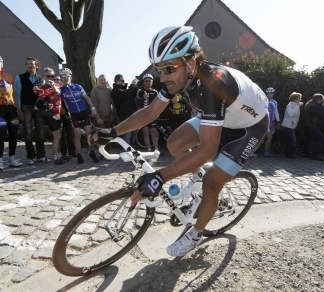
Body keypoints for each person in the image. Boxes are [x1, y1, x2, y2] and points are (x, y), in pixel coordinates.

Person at [92, 26, 269, 257]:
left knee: (212, 184)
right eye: (158, 69)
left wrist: (160, 176)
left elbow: (208, 149)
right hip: (224, 117)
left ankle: (196, 234)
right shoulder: (179, 78)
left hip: (249, 127)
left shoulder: (213, 83)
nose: (162, 77)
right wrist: (113, 131)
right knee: (175, 143)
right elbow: (150, 113)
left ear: (191, 62)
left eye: (168, 68)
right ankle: (198, 177)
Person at [14, 57, 51, 165]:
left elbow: (44, 95)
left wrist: (40, 92)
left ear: (37, 66)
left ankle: (41, 155)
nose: (30, 65)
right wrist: (19, 109)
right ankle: (31, 156)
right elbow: (18, 94)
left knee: (40, 132)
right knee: (28, 133)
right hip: (26, 107)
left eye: (32, 64)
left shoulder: (41, 79)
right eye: (28, 64)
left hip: (38, 108)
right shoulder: (19, 77)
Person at [59, 68, 99, 164]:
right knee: (77, 136)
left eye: (67, 76)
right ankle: (79, 155)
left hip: (84, 113)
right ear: (61, 78)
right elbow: (56, 96)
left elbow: (87, 98)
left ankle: (92, 152)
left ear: (71, 77)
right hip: (73, 115)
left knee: (89, 135)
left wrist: (93, 108)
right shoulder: (61, 90)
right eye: (63, 77)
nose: (65, 78)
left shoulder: (78, 87)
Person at [36, 67, 67, 164]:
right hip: (50, 114)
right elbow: (39, 104)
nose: (50, 78)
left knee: (59, 136)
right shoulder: (43, 88)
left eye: (52, 76)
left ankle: (59, 155)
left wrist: (53, 86)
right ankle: (55, 157)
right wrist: (46, 105)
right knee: (57, 136)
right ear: (43, 77)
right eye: (48, 76)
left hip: (59, 113)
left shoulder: (57, 84)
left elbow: (59, 94)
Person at [0, 56, 22, 170]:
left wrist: (18, 108)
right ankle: (0, 160)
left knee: (14, 133)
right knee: (1, 134)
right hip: (0, 110)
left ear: (2, 64)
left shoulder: (9, 76)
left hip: (11, 108)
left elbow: (15, 93)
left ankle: (11, 158)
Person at [111, 74, 138, 146]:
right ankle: (127, 152)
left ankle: (133, 151)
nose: (124, 82)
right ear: (117, 81)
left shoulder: (124, 89)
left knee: (133, 134)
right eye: (122, 80)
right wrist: (132, 85)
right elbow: (126, 95)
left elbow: (132, 95)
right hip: (125, 117)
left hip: (132, 116)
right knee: (127, 135)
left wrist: (135, 87)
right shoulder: (115, 91)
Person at [54, 75, 76, 159]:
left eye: (58, 79)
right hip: (57, 115)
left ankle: (72, 151)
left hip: (67, 114)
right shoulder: (53, 90)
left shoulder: (64, 89)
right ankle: (63, 152)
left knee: (70, 133)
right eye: (54, 79)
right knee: (61, 135)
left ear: (61, 80)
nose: (56, 80)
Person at [302, 93, 324, 161]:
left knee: (309, 138)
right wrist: (323, 107)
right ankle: (315, 154)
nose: (322, 102)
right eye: (321, 100)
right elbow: (320, 115)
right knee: (321, 138)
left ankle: (307, 153)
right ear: (318, 100)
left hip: (308, 124)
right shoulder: (311, 107)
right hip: (310, 125)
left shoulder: (311, 103)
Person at [136, 74, 159, 151]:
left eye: (149, 81)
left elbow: (159, 104)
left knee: (153, 132)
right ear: (144, 82)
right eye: (146, 81)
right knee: (146, 133)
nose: (148, 82)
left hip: (152, 115)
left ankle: (156, 149)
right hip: (143, 116)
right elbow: (138, 104)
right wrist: (144, 98)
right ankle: (148, 149)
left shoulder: (155, 92)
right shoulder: (140, 92)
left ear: (152, 82)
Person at [281, 92, 303, 158]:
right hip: (287, 125)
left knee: (290, 140)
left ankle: (287, 153)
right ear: (295, 99)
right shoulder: (291, 105)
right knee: (293, 140)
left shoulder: (295, 105)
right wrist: (297, 106)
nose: (300, 100)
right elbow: (291, 114)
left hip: (290, 125)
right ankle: (289, 154)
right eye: (299, 98)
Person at [264, 87, 281, 157]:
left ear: (273, 94)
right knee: (269, 137)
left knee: (270, 138)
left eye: (271, 94)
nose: (269, 95)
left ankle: (269, 151)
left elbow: (276, 112)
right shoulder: (263, 101)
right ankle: (266, 151)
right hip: (265, 122)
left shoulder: (275, 102)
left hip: (272, 122)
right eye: (268, 94)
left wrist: (278, 121)